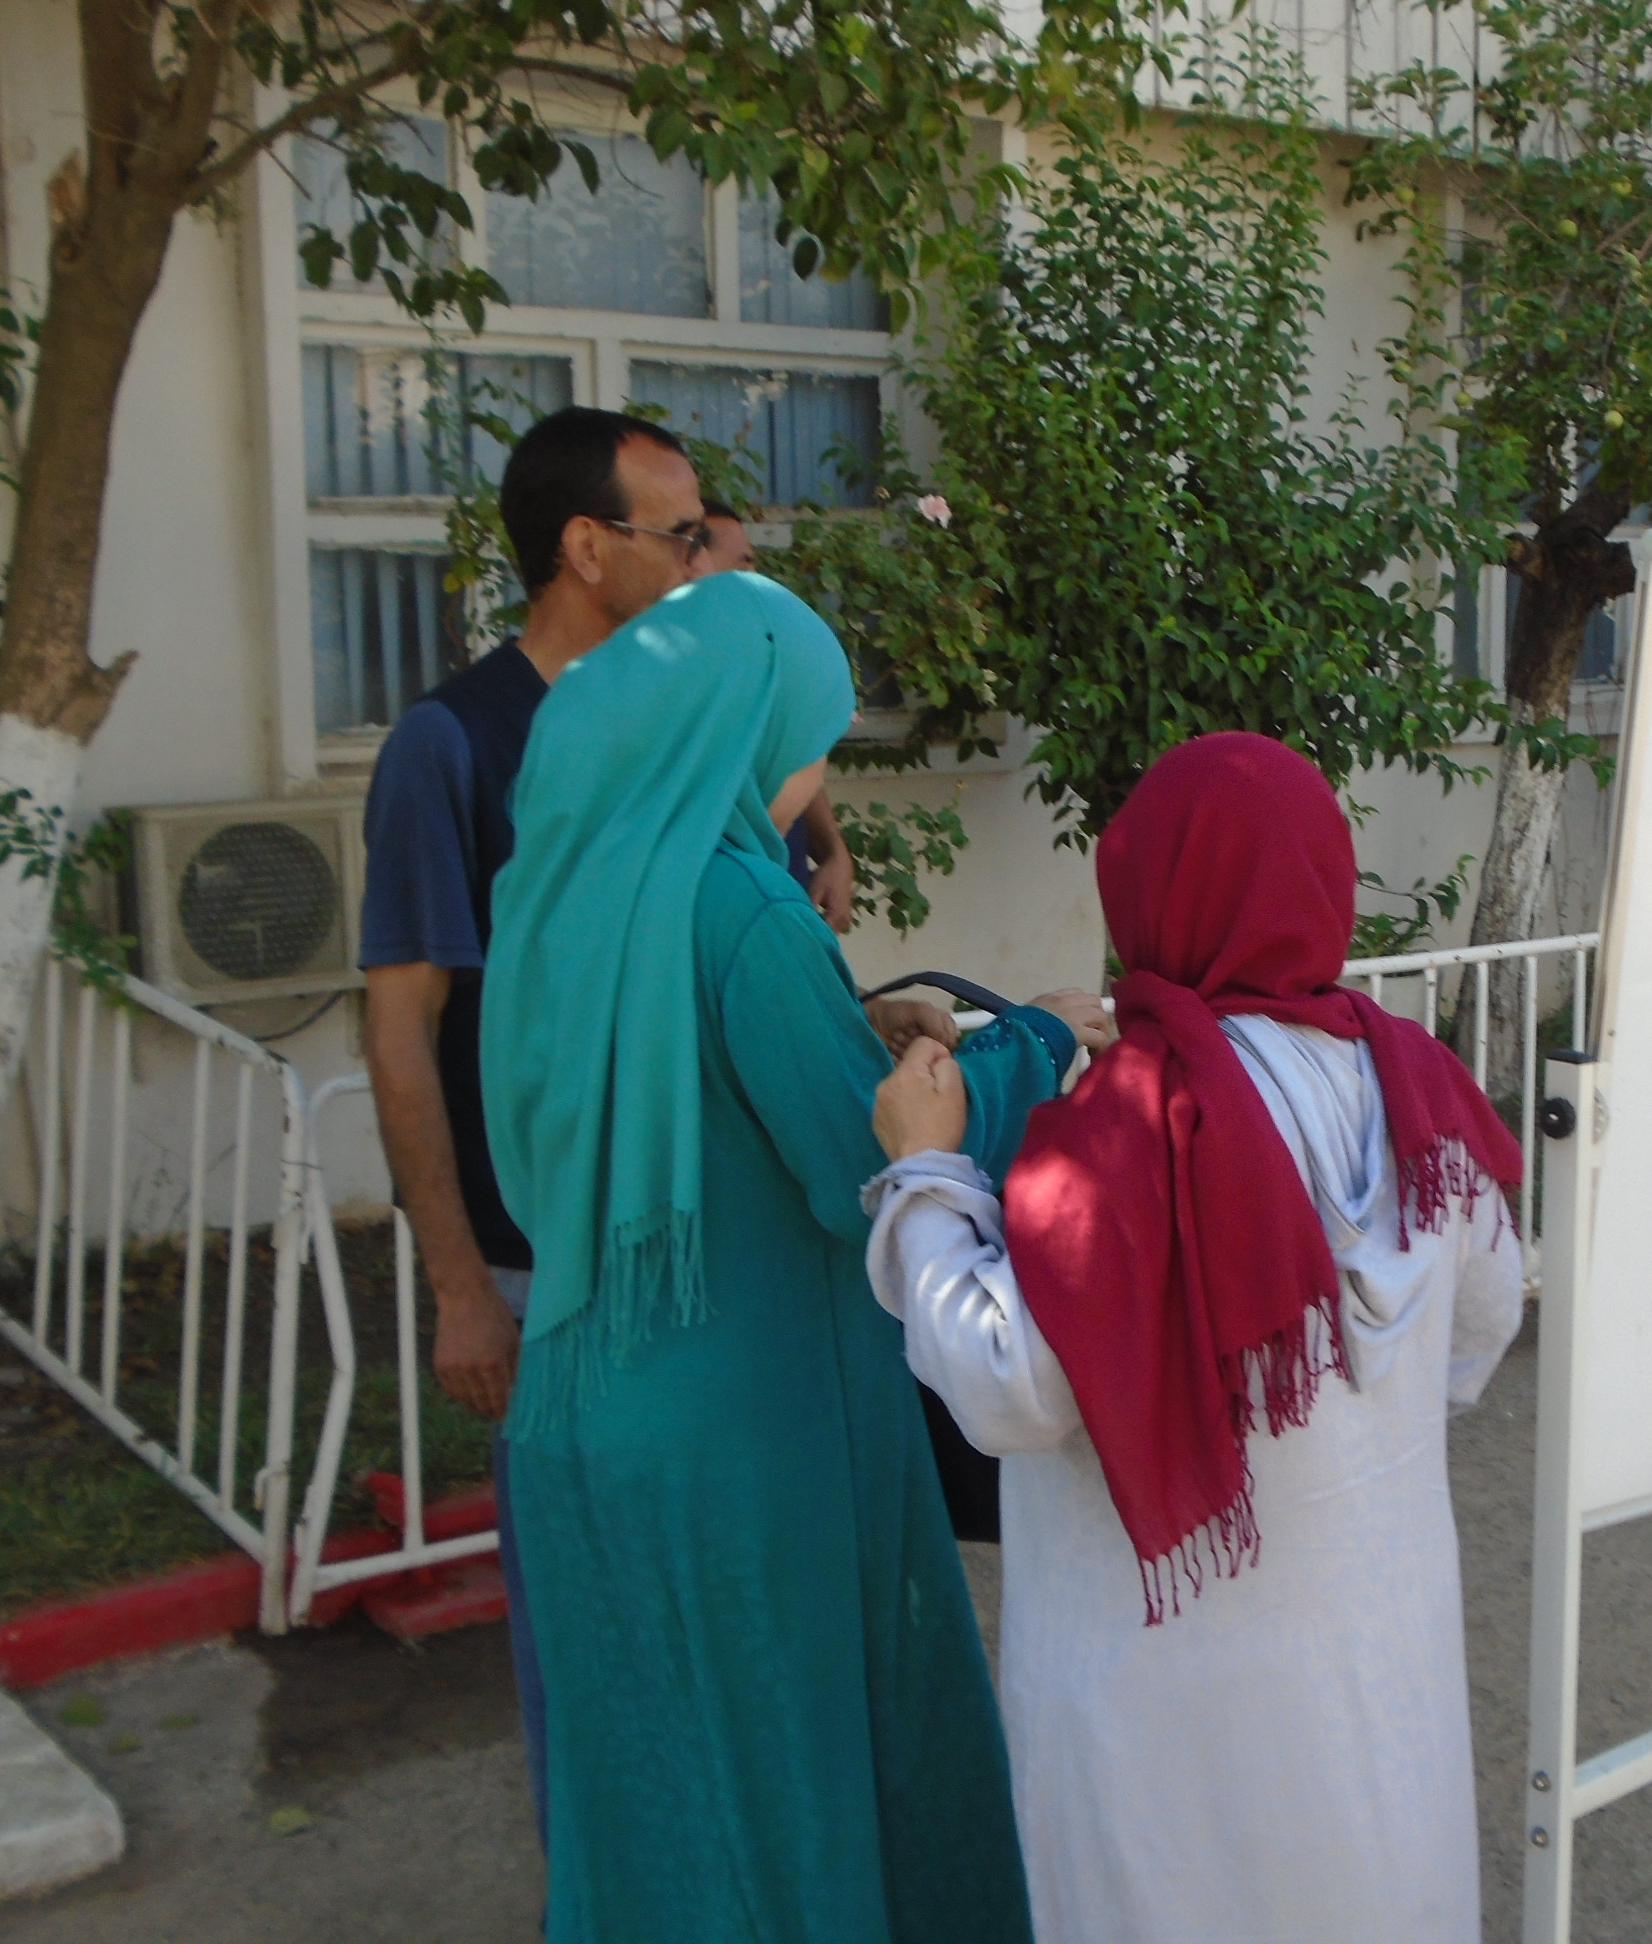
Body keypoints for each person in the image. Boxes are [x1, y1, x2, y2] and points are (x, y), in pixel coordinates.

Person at [481, 569, 1106, 1942]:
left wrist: (853, 1028)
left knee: (655, 1795)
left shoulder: (562, 889)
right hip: (751, 1438)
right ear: (746, 736)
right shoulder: (746, 913)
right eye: (815, 737)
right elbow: (860, 1168)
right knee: (797, 1784)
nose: (820, 772)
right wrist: (1036, 1043)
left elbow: (661, 1095)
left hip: (584, 1408)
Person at [864, 732, 1527, 1944]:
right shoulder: (1419, 1086)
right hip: (1375, 1668)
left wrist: (927, 1175)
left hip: (1166, 1700)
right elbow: (1481, 1329)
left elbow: (1010, 1385)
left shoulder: (1137, 1122)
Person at [359, 404, 709, 1841]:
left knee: (694, 1619)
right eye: (680, 536)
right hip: (540, 1274)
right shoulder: (451, 745)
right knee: (583, 1638)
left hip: (688, 1256)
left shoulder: (674, 731)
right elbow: (401, 1027)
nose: (699, 565)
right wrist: (459, 1286)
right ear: (587, 547)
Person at [694, 501, 858, 929]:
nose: (754, 577)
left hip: (782, 894)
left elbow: (799, 755)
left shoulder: (764, 656)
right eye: (742, 563)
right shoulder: (677, 686)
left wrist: (834, 851)